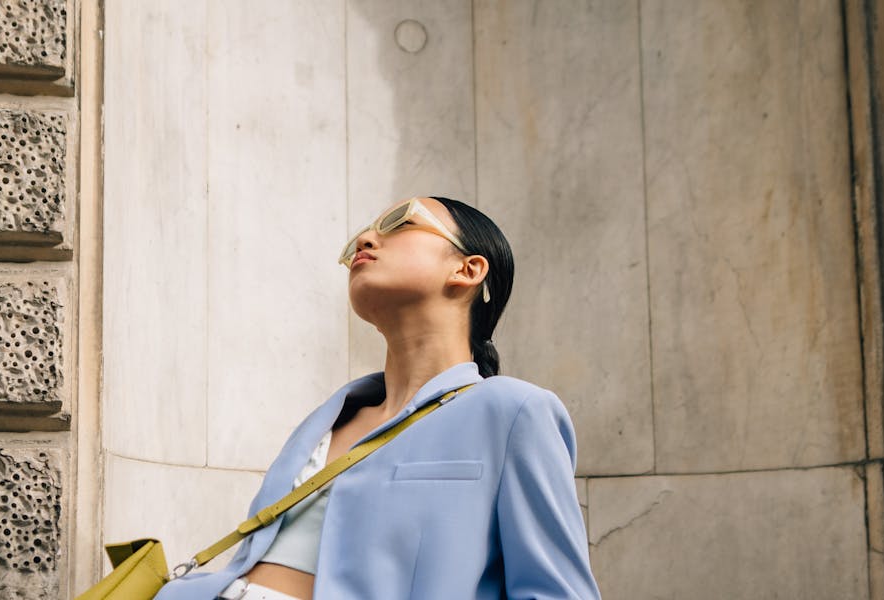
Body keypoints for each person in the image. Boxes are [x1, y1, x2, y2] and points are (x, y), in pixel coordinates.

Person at [156, 197, 600, 599]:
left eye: (400, 223)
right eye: (362, 236)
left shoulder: (513, 412)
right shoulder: (327, 420)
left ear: (468, 269)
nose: (365, 239)